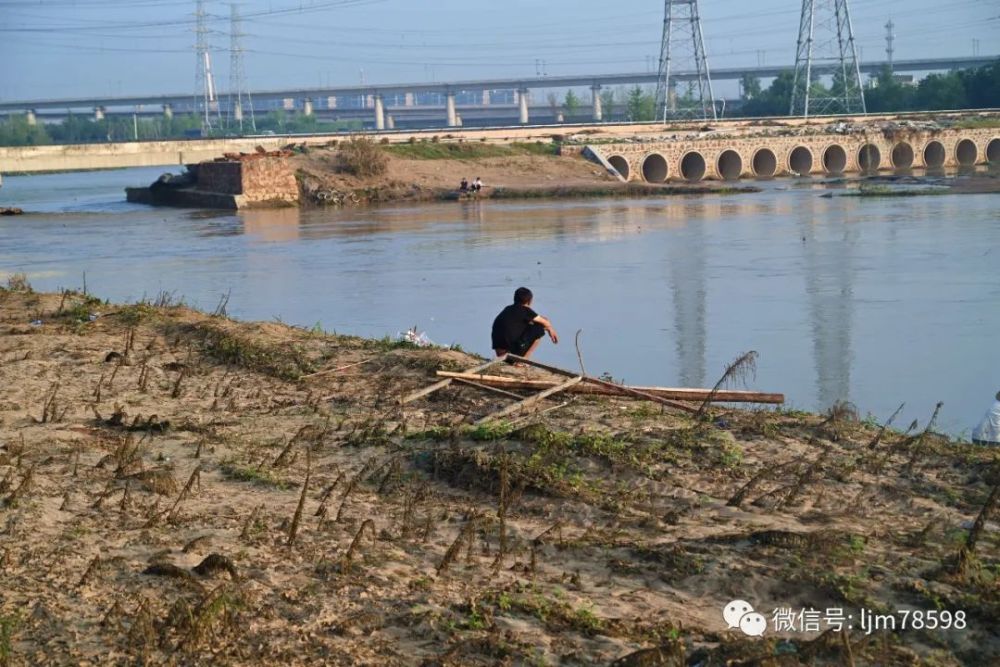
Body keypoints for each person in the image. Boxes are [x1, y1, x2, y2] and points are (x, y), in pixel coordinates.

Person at [491, 287, 558, 360]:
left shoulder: (508, 308)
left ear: (514, 299)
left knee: (532, 324)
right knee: (539, 328)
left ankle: (518, 358)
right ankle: (523, 360)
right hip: (509, 356)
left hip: (500, 354)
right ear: (530, 301)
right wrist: (550, 328)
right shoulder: (525, 310)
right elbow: (545, 321)